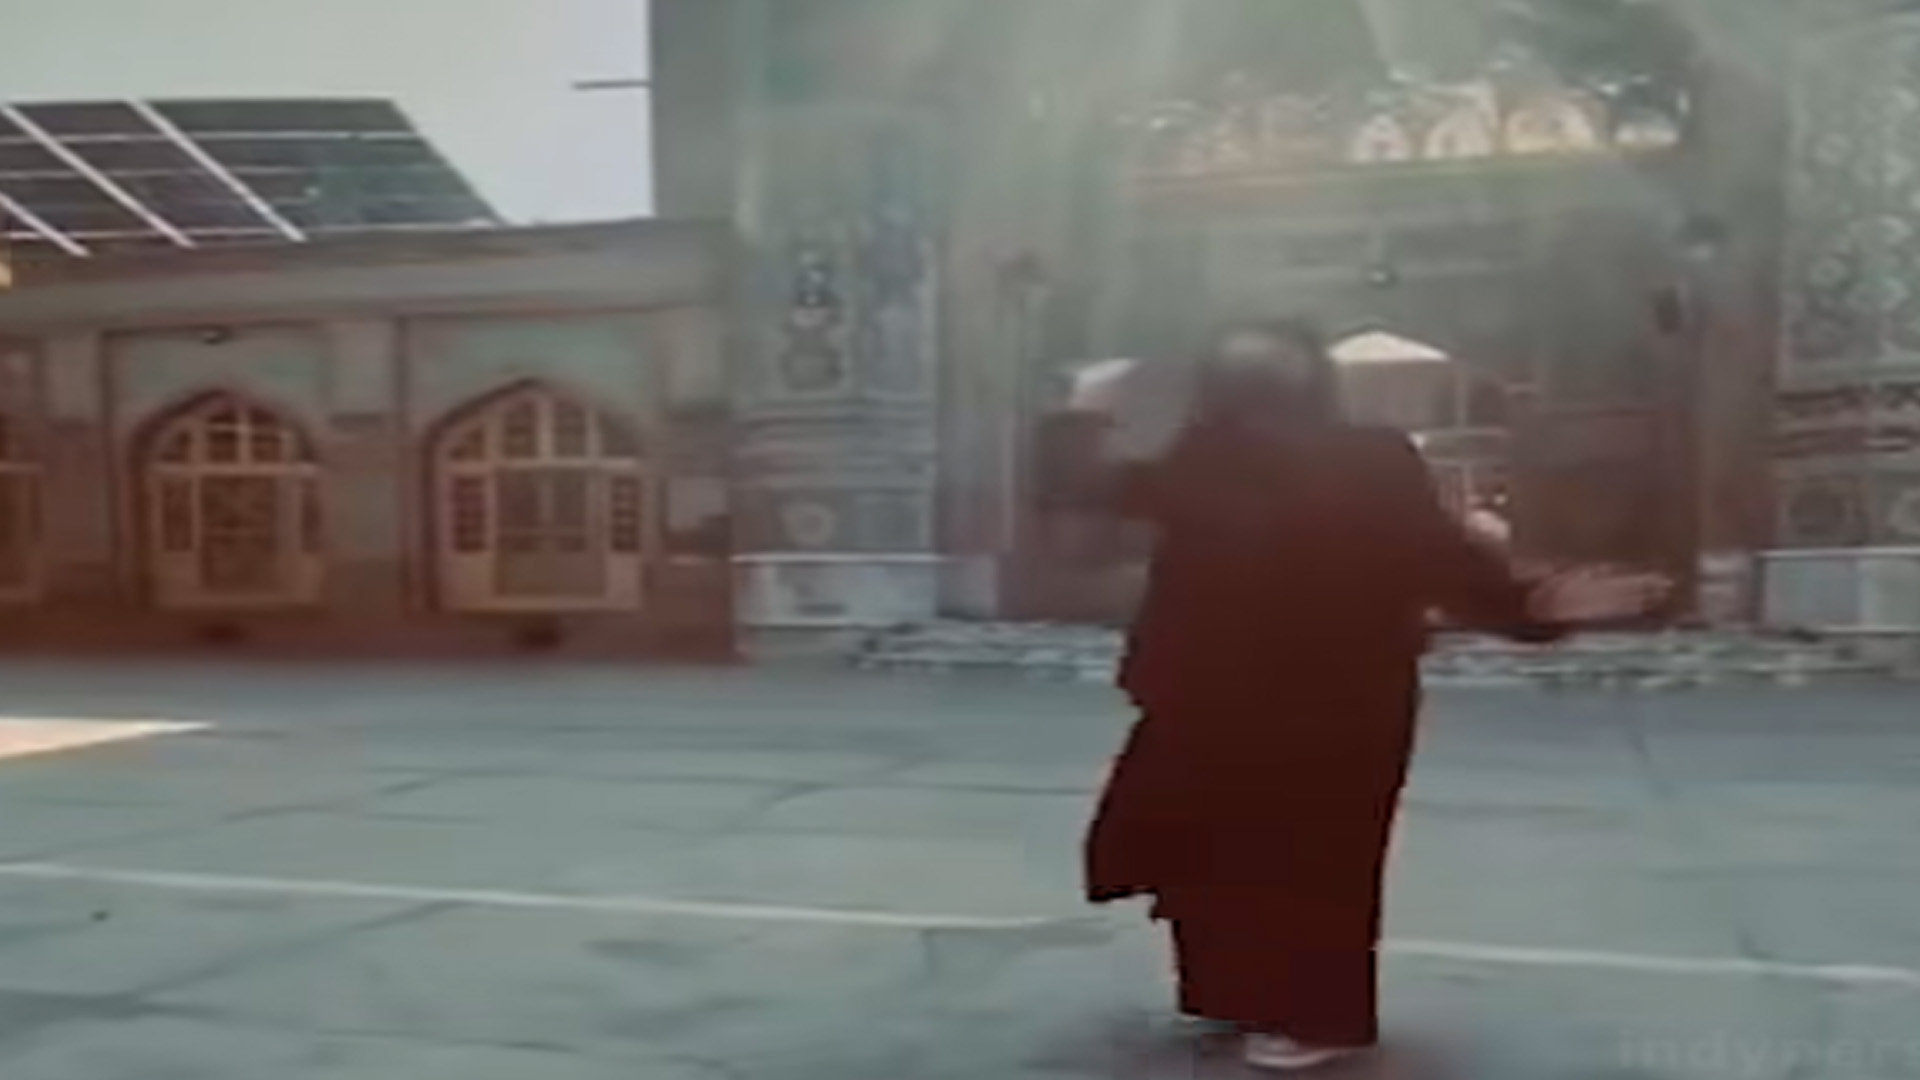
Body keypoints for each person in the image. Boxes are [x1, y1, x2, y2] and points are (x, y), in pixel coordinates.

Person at [1057, 319, 1668, 1072]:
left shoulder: (1367, 459)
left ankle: (1323, 1017)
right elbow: (1095, 491)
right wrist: (1086, 411)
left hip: (1336, 701)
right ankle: (1236, 993)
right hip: (1212, 700)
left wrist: (1530, 607)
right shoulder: (1206, 458)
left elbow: (1435, 556)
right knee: (1213, 854)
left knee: (1318, 860)